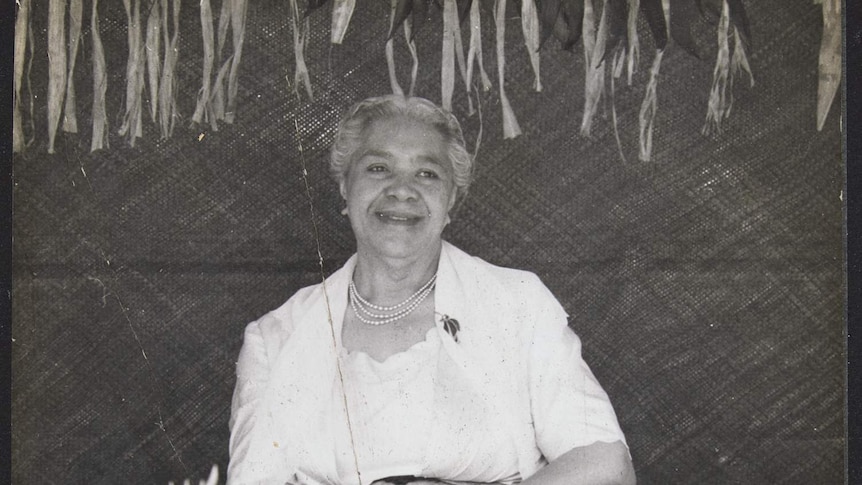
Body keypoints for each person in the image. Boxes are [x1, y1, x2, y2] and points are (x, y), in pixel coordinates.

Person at [227, 95, 635, 485]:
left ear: (451, 198)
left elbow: (606, 464)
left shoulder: (517, 304)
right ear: (344, 188)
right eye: (378, 168)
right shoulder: (275, 338)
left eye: (427, 173)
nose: (402, 189)